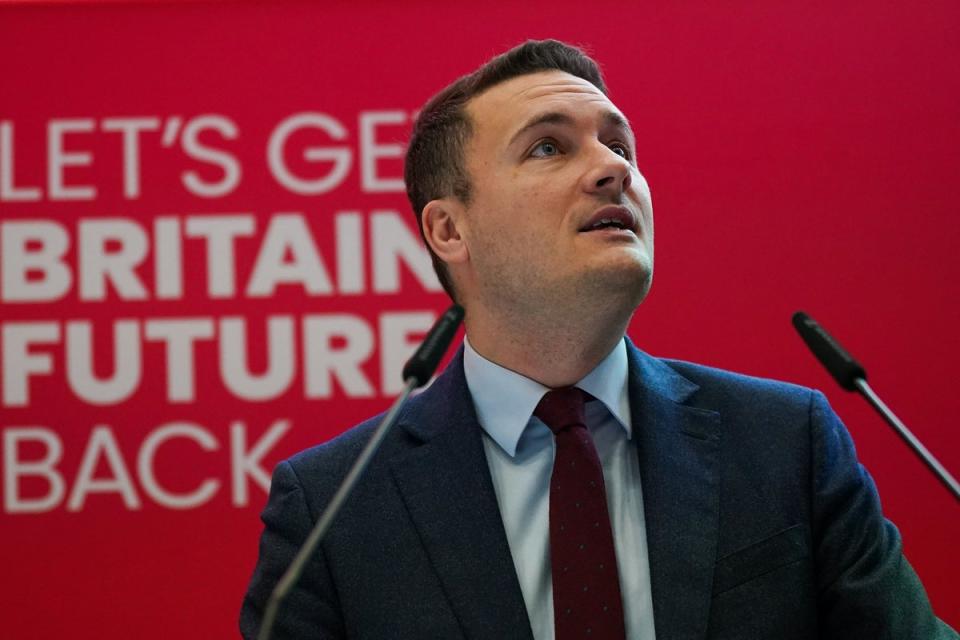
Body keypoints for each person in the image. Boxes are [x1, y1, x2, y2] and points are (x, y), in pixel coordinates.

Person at [240, 40, 956, 639]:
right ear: (449, 230)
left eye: (620, 144)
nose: (615, 169)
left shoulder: (783, 444)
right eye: (548, 147)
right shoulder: (335, 506)